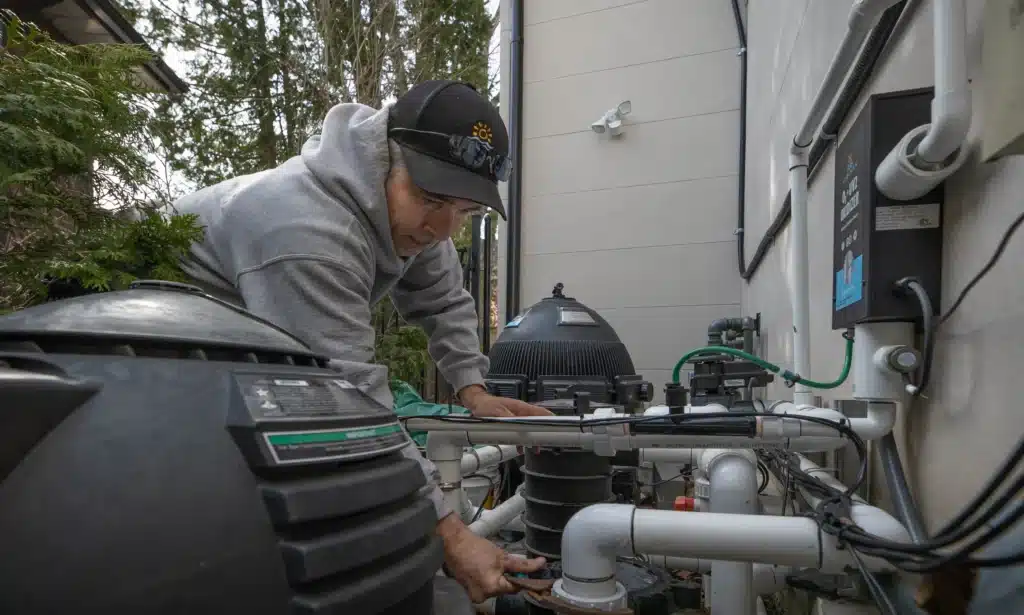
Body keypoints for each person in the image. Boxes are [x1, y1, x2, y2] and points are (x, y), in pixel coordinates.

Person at [172, 80, 551, 603]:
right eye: (432, 199)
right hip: (157, 354)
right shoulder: (305, 232)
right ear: (385, 160)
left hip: (240, 350)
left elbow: (445, 301)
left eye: (466, 212)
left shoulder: (413, 213)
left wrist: (473, 389)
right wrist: (450, 534)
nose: (444, 228)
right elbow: (344, 399)